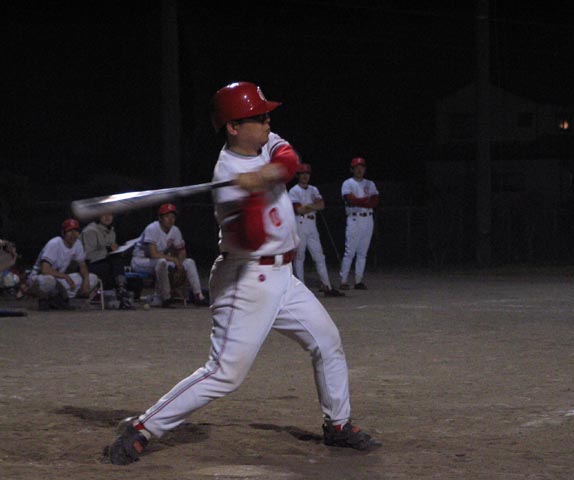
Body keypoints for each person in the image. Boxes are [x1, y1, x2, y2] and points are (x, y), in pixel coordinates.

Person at [104, 81, 380, 465]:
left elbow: (288, 160)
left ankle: (337, 424)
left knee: (327, 342)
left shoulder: (263, 143)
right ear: (233, 127)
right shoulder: (227, 178)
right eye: (258, 117)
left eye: (266, 116)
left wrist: (265, 176)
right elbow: (251, 238)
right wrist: (249, 196)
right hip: (247, 279)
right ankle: (143, 428)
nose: (268, 122)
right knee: (225, 373)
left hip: (284, 277)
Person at [130, 203, 208, 308]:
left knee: (189, 262)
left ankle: (198, 296)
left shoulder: (175, 230)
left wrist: (180, 263)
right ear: (160, 218)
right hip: (140, 260)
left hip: (159, 259)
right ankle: (166, 298)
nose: (170, 219)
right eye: (167, 216)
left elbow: (182, 251)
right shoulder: (152, 228)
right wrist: (174, 260)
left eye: (173, 217)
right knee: (161, 262)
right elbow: (153, 254)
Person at [288, 163, 344, 297]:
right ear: (298, 175)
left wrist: (308, 206)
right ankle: (300, 289)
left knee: (319, 255)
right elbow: (299, 210)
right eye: (302, 174)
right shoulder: (294, 191)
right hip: (300, 223)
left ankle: (327, 286)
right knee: (300, 256)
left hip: (312, 224)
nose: (305, 176)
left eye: (307, 174)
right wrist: (313, 206)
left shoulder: (313, 189)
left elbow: (322, 205)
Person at [27, 218, 100, 310]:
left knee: (92, 278)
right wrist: (66, 277)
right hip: (38, 278)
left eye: (76, 231)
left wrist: (86, 281)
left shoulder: (77, 244)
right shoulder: (54, 243)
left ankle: (57, 299)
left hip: (58, 279)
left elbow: (82, 265)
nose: (73, 234)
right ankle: (45, 298)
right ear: (63, 233)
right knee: (48, 281)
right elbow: (45, 270)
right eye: (70, 231)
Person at [339, 157, 379, 290]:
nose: (359, 169)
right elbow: (350, 200)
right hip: (354, 219)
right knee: (350, 251)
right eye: (357, 167)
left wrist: (360, 201)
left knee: (363, 252)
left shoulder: (370, 183)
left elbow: (375, 201)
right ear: (352, 169)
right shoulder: (348, 183)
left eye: (361, 167)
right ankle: (343, 280)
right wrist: (366, 200)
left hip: (368, 219)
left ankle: (358, 280)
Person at [81, 213, 134, 309]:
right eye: (104, 214)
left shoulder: (111, 231)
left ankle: (121, 290)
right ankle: (121, 291)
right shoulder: (90, 231)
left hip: (105, 264)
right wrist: (108, 249)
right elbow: (88, 256)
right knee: (115, 262)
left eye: (110, 214)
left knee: (117, 260)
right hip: (88, 267)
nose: (107, 217)